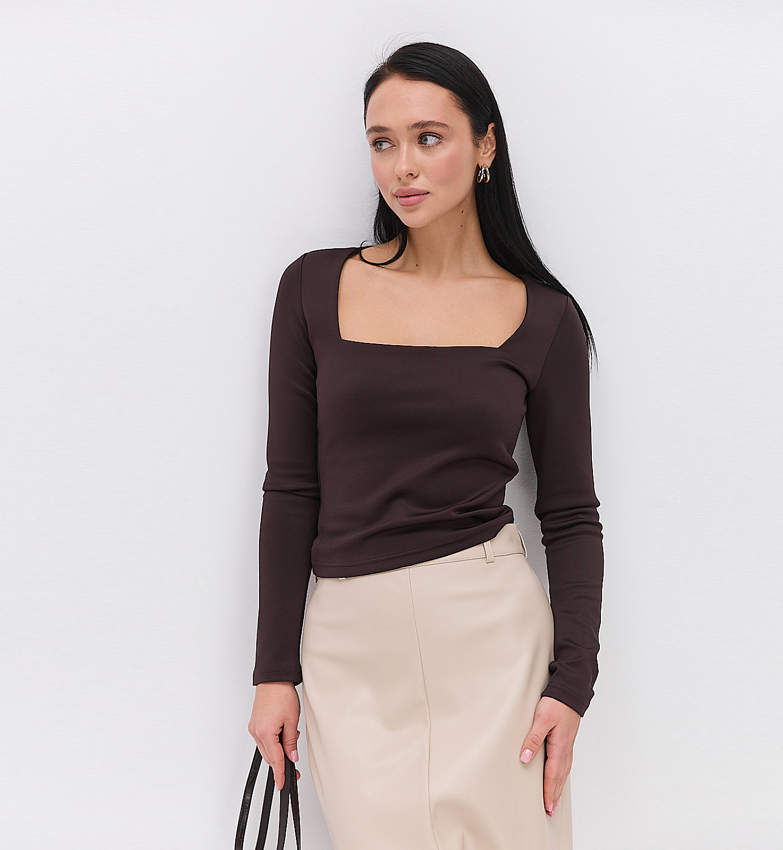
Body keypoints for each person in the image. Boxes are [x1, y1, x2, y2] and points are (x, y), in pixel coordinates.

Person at [248, 41, 604, 850]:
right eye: (382, 142)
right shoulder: (312, 288)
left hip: (492, 637)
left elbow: (571, 514)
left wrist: (570, 686)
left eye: (428, 138)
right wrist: (274, 673)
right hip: (350, 646)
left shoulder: (544, 317)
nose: (402, 166)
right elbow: (291, 489)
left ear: (485, 145)